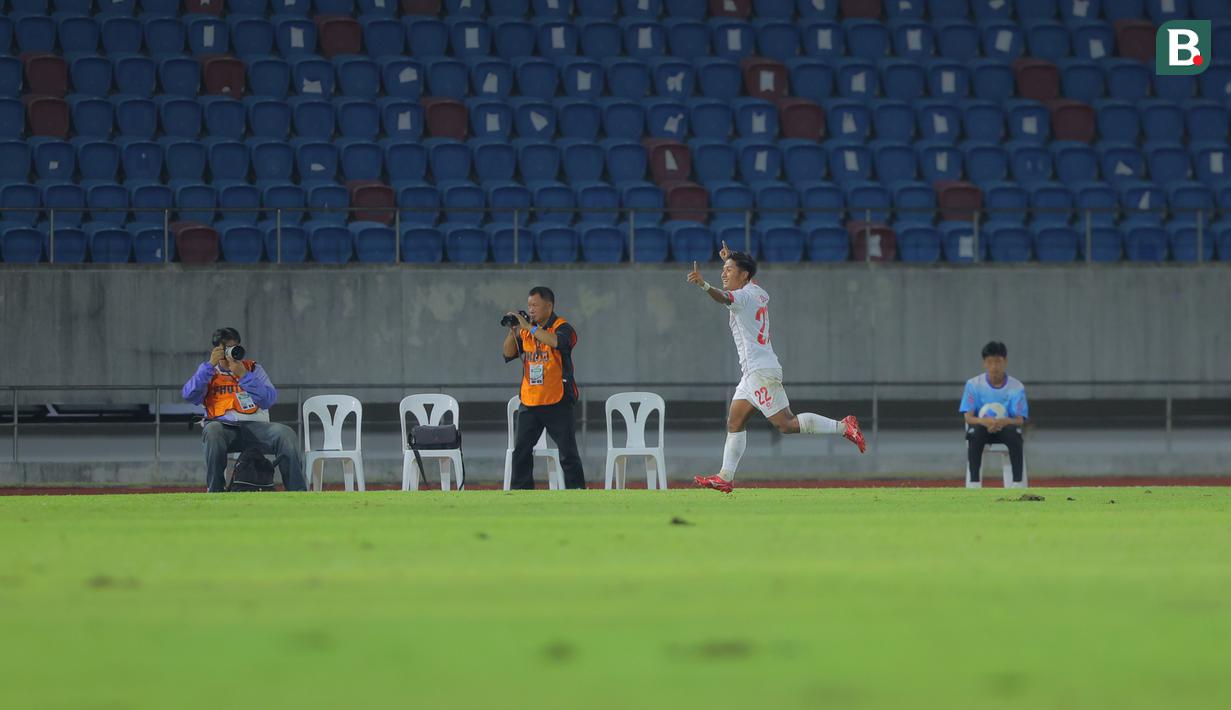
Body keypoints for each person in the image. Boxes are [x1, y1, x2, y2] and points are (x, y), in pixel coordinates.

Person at [686, 242, 866, 494]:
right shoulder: (757, 291)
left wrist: (704, 285)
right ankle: (725, 477)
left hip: (761, 372)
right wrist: (732, 259)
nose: (723, 273)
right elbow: (741, 284)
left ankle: (844, 426)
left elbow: (724, 297)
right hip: (752, 374)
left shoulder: (742, 297)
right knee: (735, 421)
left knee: (786, 424)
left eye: (728, 269)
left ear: (744, 274)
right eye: (723, 269)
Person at [181, 327, 306, 493]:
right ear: (217, 350)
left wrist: (244, 376)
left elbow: (268, 399)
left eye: (235, 348)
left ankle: (297, 492)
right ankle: (215, 492)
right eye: (226, 349)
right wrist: (209, 366)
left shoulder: (253, 369)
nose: (231, 354)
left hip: (256, 428)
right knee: (212, 431)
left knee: (286, 434)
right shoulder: (208, 372)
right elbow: (189, 395)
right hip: (224, 428)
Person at [502, 287, 586, 489]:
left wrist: (529, 328)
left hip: (557, 399)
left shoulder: (563, 327)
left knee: (567, 452)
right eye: (529, 305)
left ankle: (577, 491)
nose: (531, 310)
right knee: (521, 451)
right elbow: (507, 353)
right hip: (530, 401)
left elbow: (557, 342)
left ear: (549, 306)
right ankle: (522, 493)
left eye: (535, 305)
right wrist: (513, 330)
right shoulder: (526, 329)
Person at [960, 341, 1028, 486]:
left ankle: (1017, 483)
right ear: (984, 363)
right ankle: (974, 483)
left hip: (1005, 428)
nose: (994, 367)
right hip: (982, 427)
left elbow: (1019, 419)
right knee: (974, 434)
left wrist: (1003, 422)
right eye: (990, 362)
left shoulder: (1016, 387)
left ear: (1005, 361)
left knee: (1015, 436)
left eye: (998, 362)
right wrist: (984, 421)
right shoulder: (973, 385)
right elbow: (968, 417)